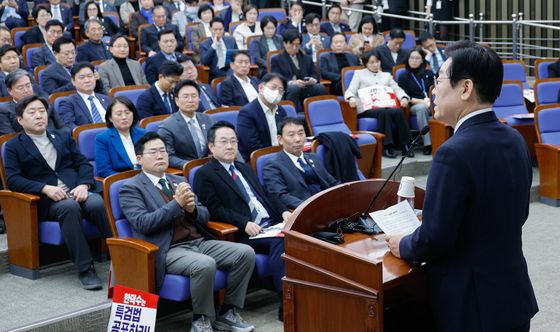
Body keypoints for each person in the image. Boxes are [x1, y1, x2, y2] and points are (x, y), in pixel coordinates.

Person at [386, 40, 539, 332]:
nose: (434, 89)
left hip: (471, 306)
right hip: (512, 295)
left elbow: (434, 239)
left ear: (465, 88)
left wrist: (402, 243)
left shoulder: (452, 152)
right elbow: (515, 215)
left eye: (440, 79)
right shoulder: (514, 138)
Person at [120, 131, 256, 332]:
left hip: (198, 242)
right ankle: (201, 319)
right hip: (168, 248)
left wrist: (192, 210)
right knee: (204, 264)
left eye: (163, 151)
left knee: (245, 253)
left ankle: (227, 312)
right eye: (153, 152)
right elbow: (143, 223)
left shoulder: (178, 181)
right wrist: (177, 204)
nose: (160, 156)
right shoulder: (131, 188)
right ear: (139, 159)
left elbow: (205, 215)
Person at [4, 95, 111, 290]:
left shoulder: (62, 136)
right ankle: (85, 269)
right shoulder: (13, 146)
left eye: (42, 111)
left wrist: (84, 185)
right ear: (20, 120)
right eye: (32, 112)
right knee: (69, 207)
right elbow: (13, 180)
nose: (39, 116)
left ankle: (120, 256)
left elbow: (82, 164)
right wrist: (44, 188)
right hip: (46, 200)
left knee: (96, 203)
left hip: (76, 190)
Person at [194, 121, 291, 320]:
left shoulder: (243, 167)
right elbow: (213, 209)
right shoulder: (205, 174)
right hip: (243, 233)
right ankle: (286, 303)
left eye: (233, 141)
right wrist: (243, 223)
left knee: (300, 232)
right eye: (224, 142)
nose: (230, 146)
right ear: (211, 147)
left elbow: (265, 195)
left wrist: (283, 212)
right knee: (280, 241)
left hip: (270, 224)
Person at [344, 49, 411, 158]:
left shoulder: (386, 75)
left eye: (377, 61)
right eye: (372, 62)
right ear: (365, 64)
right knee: (383, 112)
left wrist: (403, 97)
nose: (376, 65)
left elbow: (397, 89)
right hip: (367, 108)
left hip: (385, 105)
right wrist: (351, 98)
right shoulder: (359, 74)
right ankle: (387, 146)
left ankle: (405, 145)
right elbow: (350, 91)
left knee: (398, 111)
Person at [263, 117, 339, 209]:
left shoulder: (313, 157)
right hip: (306, 211)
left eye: (301, 133)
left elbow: (332, 182)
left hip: (330, 205)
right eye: (291, 135)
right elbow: (280, 196)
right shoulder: (272, 165)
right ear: (280, 139)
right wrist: (310, 207)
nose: (298, 139)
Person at [158, 80, 215, 169]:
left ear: (199, 98)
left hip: (210, 166)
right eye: (185, 97)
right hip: (186, 171)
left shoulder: (207, 119)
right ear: (177, 100)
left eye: (194, 96)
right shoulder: (167, 126)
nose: (190, 100)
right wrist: (191, 166)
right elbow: (168, 156)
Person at [271, 29, 326, 113]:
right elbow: (276, 78)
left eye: (297, 45)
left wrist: (312, 80)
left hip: (306, 86)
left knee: (320, 88)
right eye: (291, 44)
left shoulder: (306, 58)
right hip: (289, 88)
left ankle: (318, 114)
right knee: (294, 88)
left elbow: (315, 74)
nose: (294, 47)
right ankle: (292, 115)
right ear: (284, 44)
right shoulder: (277, 59)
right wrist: (292, 82)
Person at [237, 73, 287, 161]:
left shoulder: (281, 111)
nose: (277, 92)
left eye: (280, 90)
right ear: (261, 88)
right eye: (273, 87)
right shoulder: (247, 112)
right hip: (259, 160)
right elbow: (251, 146)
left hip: (281, 157)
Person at [0, 69, 66, 135]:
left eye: (28, 86)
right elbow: (9, 137)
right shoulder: (4, 110)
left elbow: (62, 127)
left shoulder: (44, 102)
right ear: (10, 91)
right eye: (20, 88)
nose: (26, 90)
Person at [94, 97, 145, 177]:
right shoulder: (103, 139)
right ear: (110, 118)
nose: (124, 117)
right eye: (119, 114)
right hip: (123, 182)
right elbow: (104, 170)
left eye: (127, 113)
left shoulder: (143, 133)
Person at [397, 47, 434, 155]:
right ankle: (428, 144)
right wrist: (423, 102)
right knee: (422, 109)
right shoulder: (404, 75)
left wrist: (431, 101)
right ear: (407, 59)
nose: (414, 60)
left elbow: (436, 89)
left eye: (417, 58)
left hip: (431, 103)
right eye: (411, 58)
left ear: (422, 60)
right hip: (414, 105)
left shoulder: (428, 74)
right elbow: (405, 96)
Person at [58, 62, 110, 130]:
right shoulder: (68, 102)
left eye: (90, 76)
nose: (87, 80)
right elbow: (68, 125)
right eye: (82, 78)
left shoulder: (106, 99)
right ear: (73, 81)